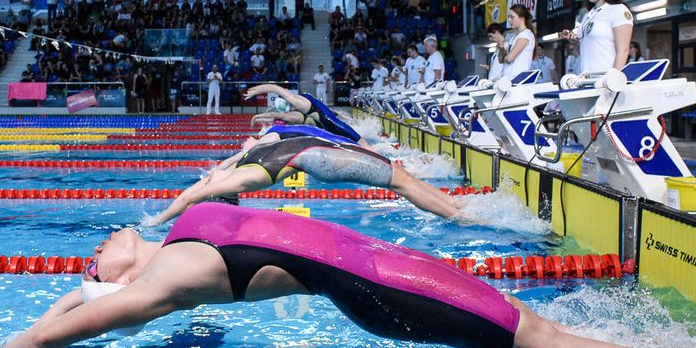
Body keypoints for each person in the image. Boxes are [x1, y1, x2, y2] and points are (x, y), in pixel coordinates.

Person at [0, 203, 696, 348]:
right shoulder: (160, 280)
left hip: (380, 264)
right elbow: (47, 336)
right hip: (376, 289)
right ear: (111, 277)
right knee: (545, 347)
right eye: (91, 260)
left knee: (535, 327)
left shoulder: (176, 235)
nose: (95, 248)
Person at [146, 132, 462, 224]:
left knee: (400, 176)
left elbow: (208, 180)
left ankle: (454, 205)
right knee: (400, 181)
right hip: (321, 159)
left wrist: (221, 167)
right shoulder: (236, 180)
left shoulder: (240, 162)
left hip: (322, 152)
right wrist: (157, 220)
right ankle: (457, 215)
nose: (206, 176)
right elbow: (189, 197)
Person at [560, 0, 633, 74]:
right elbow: (585, 52)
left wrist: (613, 81)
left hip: (605, 83)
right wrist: (574, 43)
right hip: (585, 81)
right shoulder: (587, 16)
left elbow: (623, 50)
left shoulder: (618, 10)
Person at [245, 82, 361, 143]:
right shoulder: (300, 99)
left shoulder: (295, 106)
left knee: (357, 139)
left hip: (329, 122)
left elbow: (273, 88)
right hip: (329, 117)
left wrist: (256, 91)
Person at [501, 5, 536, 79]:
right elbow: (502, 59)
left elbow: (510, 58)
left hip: (517, 80)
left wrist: (505, 57)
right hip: (508, 79)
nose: (509, 20)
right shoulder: (514, 36)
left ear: (522, 18)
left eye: (512, 17)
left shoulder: (526, 34)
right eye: (508, 17)